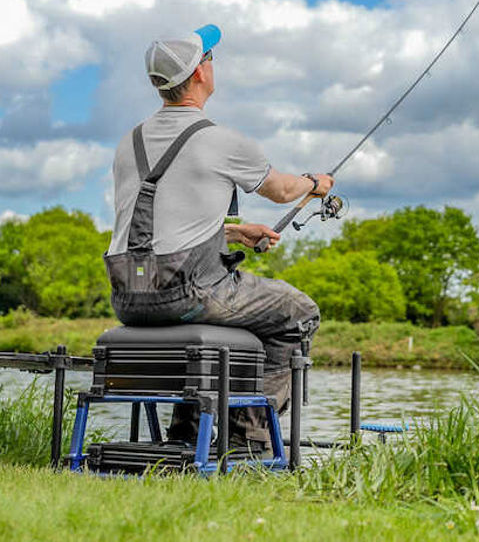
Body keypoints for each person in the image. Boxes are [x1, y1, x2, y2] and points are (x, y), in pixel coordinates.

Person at [105, 23, 333, 450]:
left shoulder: (128, 142)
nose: (213, 64)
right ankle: (248, 438)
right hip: (187, 295)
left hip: (128, 296)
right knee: (298, 312)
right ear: (199, 74)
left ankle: (189, 433)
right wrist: (315, 182)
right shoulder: (220, 140)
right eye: (209, 58)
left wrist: (232, 231)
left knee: (225, 321)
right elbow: (282, 191)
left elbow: (152, 226)